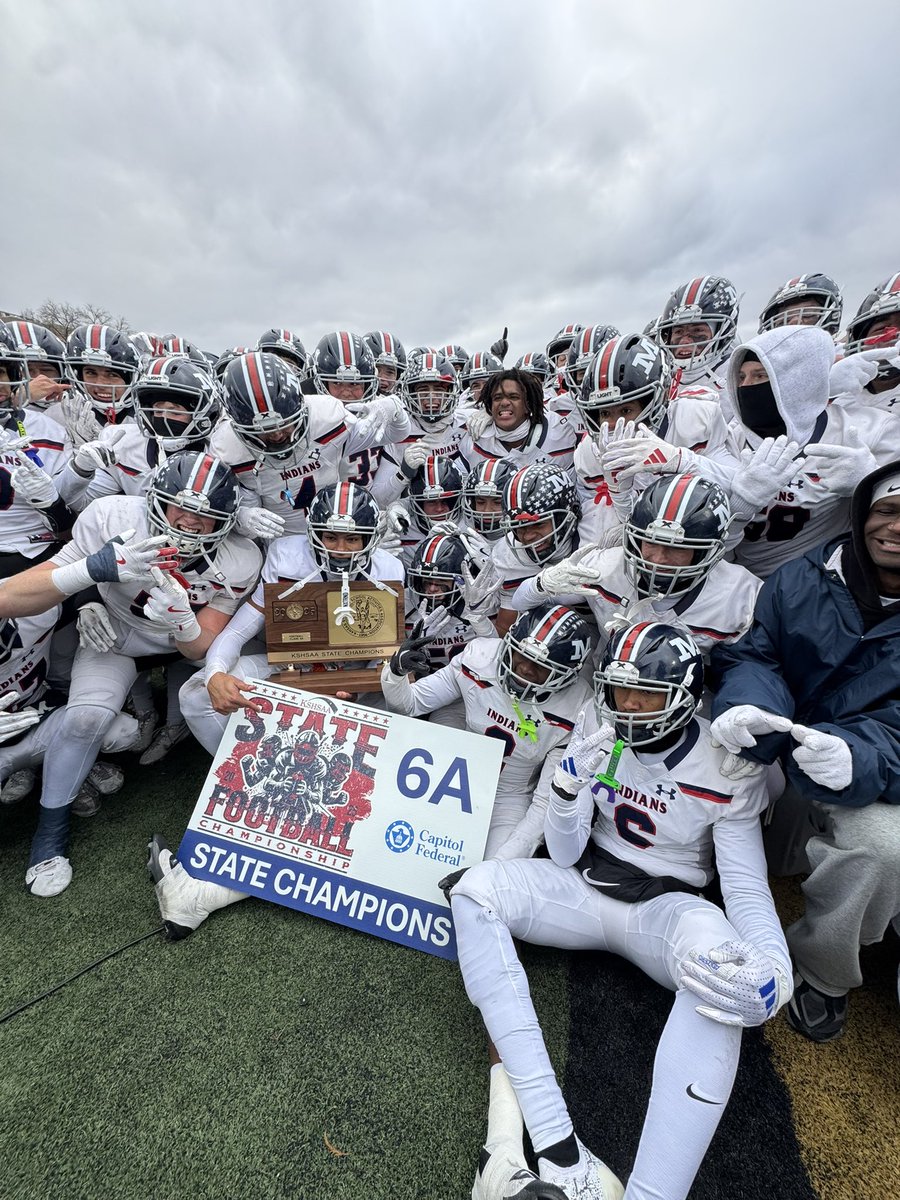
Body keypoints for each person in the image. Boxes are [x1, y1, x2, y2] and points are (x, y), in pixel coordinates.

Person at [450, 622, 791, 1200]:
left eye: (647, 695)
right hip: (583, 887)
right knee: (476, 891)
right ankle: (558, 1148)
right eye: (618, 690)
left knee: (724, 979)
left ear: (685, 695)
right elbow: (562, 851)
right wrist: (564, 793)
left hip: (667, 908)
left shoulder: (725, 762)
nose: (628, 706)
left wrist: (774, 975)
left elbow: (747, 889)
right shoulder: (596, 730)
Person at [0, 450, 261, 897]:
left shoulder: (239, 556)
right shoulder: (113, 516)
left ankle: (259, 789)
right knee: (86, 719)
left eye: (206, 515)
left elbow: (203, 645)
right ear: (154, 496)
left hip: (183, 642)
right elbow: (8, 597)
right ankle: (50, 835)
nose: (190, 523)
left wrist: (183, 621)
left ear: (228, 520)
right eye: (181, 506)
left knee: (243, 681)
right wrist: (89, 579)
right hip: (115, 638)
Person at [153, 481, 403, 938]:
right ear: (313, 534)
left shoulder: (390, 567)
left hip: (361, 686)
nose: (341, 548)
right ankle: (257, 789)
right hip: (295, 671)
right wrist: (215, 674)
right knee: (194, 693)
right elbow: (238, 629)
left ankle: (295, 815)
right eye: (330, 536)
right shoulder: (288, 556)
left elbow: (384, 659)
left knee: (381, 769)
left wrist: (338, 688)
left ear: (372, 538)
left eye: (352, 538)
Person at [709, 460, 900, 1043]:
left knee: (882, 848)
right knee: (727, 847)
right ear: (864, 511)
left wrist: (856, 756)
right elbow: (755, 655)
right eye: (888, 510)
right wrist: (745, 709)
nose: (896, 527)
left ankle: (824, 970)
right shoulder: (805, 574)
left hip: (860, 764)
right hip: (782, 744)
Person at [383, 601, 593, 861]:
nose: (525, 668)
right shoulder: (481, 658)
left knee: (494, 873)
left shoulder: (578, 708)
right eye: (521, 655)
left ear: (567, 675)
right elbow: (409, 705)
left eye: (541, 666)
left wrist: (492, 869)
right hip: (451, 778)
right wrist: (395, 672)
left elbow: (543, 804)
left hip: (508, 798)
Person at [461, 369, 578, 477]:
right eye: (497, 398)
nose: (504, 403)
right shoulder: (476, 439)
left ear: (528, 404)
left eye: (513, 397)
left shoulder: (559, 433)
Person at [757, 273, 843, 335]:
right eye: (782, 322)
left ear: (832, 317)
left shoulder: (844, 356)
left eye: (808, 315)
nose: (794, 323)